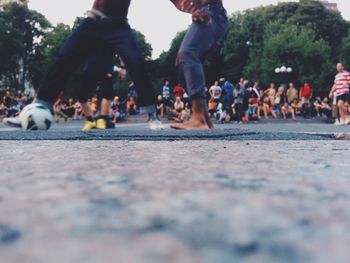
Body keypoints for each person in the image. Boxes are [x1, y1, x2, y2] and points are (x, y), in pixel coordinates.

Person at [4, 0, 163, 130]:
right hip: (93, 22)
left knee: (135, 60)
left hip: (118, 25)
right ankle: (37, 106)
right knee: (64, 57)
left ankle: (152, 115)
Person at [170, 0, 229, 130]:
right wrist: (193, 9)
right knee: (183, 64)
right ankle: (205, 119)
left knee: (188, 53)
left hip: (212, 12)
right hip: (210, 12)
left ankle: (198, 118)